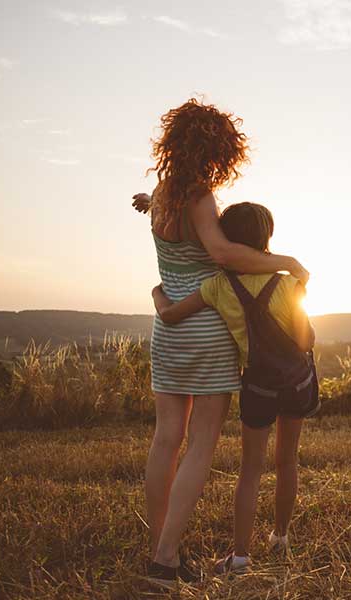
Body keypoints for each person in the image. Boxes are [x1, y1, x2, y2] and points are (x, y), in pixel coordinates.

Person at [135, 98, 310, 588]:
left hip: (168, 329)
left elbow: (180, 231)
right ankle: (166, 560)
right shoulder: (200, 196)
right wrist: (286, 262)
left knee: (165, 439)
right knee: (201, 443)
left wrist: (147, 205)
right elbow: (222, 253)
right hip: (205, 329)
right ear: (217, 150)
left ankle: (159, 550)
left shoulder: (163, 193)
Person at [152, 202, 318, 576]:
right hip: (296, 382)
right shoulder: (289, 284)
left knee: (250, 470)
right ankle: (280, 538)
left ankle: (240, 557)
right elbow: (305, 339)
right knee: (287, 460)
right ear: (267, 239)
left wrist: (156, 294)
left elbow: (170, 315)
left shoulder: (216, 285)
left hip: (258, 384)